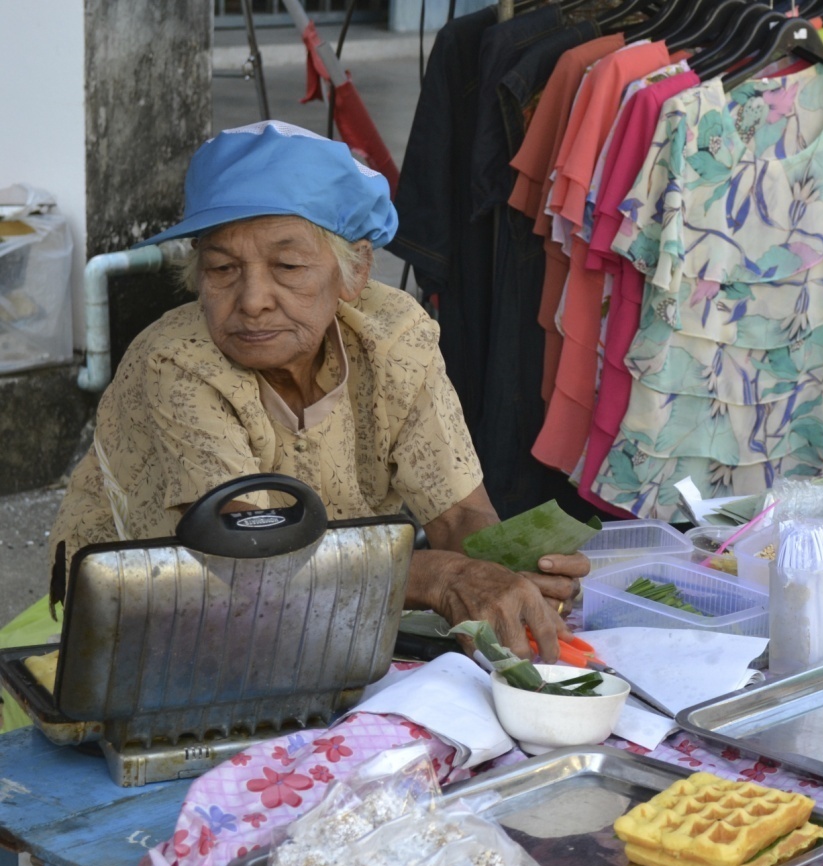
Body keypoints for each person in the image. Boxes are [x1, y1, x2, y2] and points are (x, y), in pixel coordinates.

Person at [49, 121, 587, 660]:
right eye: (222, 268)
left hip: (333, 613)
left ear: (354, 272)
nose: (253, 298)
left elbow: (456, 515)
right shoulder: (174, 363)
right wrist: (446, 577)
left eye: (287, 265)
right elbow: (249, 566)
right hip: (156, 624)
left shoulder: (394, 334)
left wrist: (508, 572)